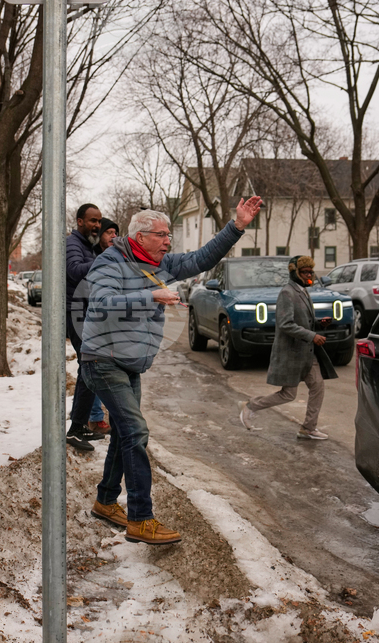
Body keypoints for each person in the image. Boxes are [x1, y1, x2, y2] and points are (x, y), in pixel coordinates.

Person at [81, 198, 263, 544]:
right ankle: (141, 519)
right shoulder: (110, 261)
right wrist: (151, 296)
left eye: (168, 236)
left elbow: (201, 258)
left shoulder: (160, 262)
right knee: (135, 431)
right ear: (140, 236)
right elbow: (101, 303)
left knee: (124, 433)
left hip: (128, 363)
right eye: (162, 235)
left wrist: (236, 226)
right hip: (102, 360)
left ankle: (105, 502)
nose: (169, 242)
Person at [239, 255, 334, 440]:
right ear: (295, 273)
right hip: (292, 354)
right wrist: (312, 336)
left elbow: (301, 319)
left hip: (306, 353)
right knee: (288, 395)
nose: (309, 275)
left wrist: (318, 323)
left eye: (310, 272)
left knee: (318, 386)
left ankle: (308, 428)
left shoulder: (303, 291)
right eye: (304, 272)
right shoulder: (287, 292)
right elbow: (285, 324)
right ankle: (250, 406)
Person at [65, 203, 105, 451]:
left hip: (86, 312)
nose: (97, 225)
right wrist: (102, 262)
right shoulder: (73, 244)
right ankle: (75, 428)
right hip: (76, 314)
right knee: (89, 367)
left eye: (99, 221)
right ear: (80, 221)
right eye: (92, 220)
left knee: (89, 368)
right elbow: (73, 271)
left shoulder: (87, 245)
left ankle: (79, 426)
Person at [87, 217, 121, 435]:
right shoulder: (93, 258)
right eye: (109, 232)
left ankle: (98, 416)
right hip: (94, 322)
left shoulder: (119, 258)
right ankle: (95, 417)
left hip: (113, 323)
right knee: (95, 369)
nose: (113, 237)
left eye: (116, 233)